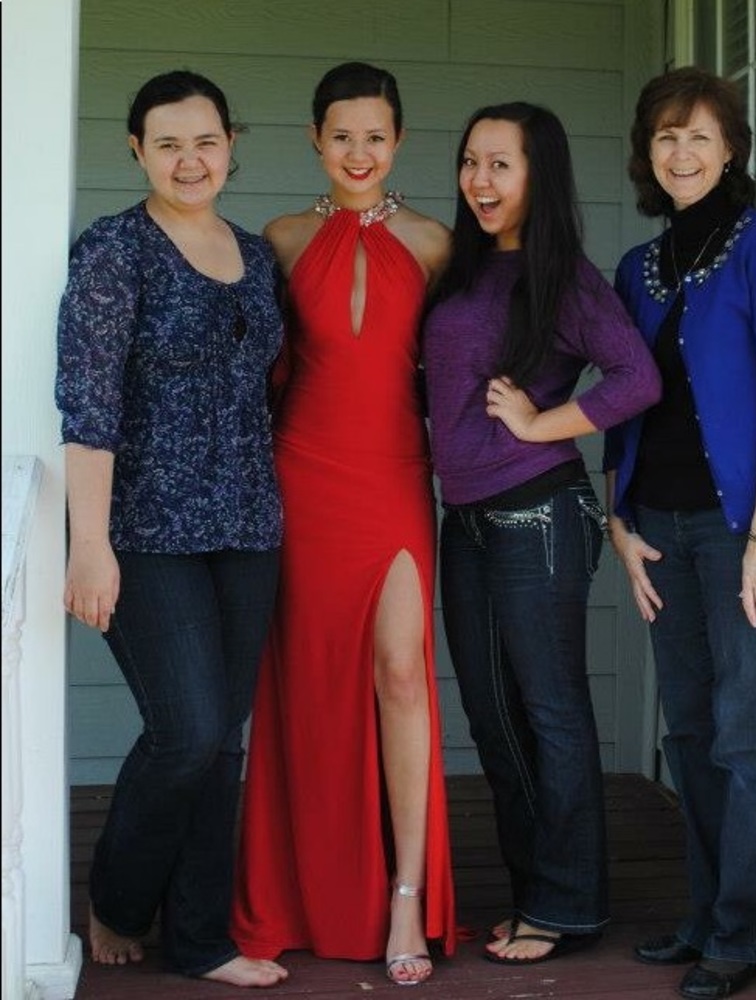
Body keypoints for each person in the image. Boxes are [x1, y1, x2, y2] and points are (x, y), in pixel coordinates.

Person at [55, 70, 289, 988]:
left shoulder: (256, 257)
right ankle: (116, 899)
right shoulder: (114, 251)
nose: (189, 161)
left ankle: (202, 940)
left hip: (248, 524)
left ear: (231, 144)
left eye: (205, 142)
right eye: (167, 145)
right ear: (137, 151)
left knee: (223, 739)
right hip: (146, 530)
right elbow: (88, 406)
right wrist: (89, 543)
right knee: (186, 731)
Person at [229, 62, 456, 987]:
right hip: (302, 478)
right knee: (310, 686)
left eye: (376, 136)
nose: (358, 154)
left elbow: (463, 359)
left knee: (401, 674)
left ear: (398, 141)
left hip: (395, 476)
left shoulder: (435, 243)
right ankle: (300, 891)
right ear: (316, 140)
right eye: (341, 136)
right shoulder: (279, 240)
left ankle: (405, 892)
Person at [422, 102, 661, 966]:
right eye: (470, 162)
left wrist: (540, 423)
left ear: (538, 175)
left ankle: (568, 906)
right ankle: (536, 891)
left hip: (539, 516)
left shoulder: (563, 278)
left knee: (551, 712)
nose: (479, 181)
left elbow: (637, 377)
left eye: (501, 164)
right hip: (465, 519)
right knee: (492, 717)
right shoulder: (460, 269)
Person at [604, 66, 756, 1000]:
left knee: (747, 733)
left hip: (746, 530)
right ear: (647, 153)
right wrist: (618, 524)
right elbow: (621, 404)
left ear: (731, 149)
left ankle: (743, 930)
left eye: (699, 135)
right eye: (666, 136)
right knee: (690, 730)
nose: (682, 152)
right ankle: (704, 913)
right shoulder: (638, 268)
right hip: (658, 529)